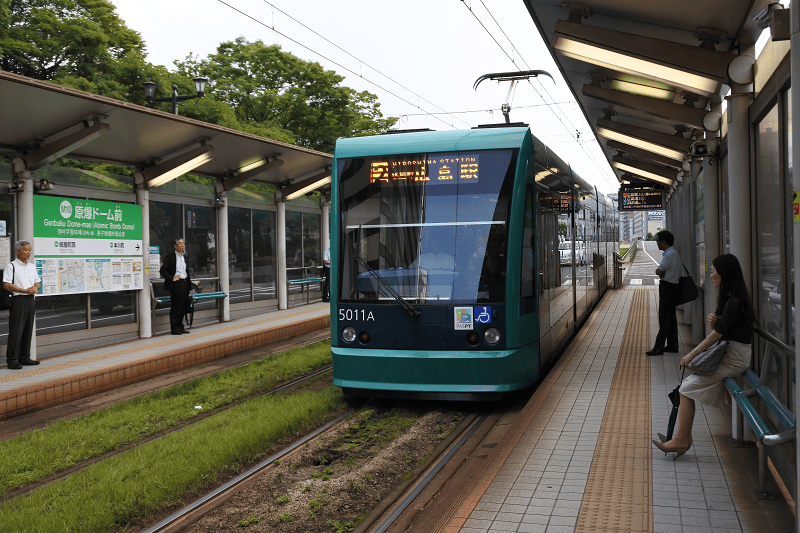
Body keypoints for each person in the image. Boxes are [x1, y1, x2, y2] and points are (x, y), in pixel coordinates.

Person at [653, 254, 755, 458]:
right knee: (686, 388)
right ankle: (683, 438)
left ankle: (682, 440)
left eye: (713, 271)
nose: (710, 275)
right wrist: (715, 322)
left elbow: (717, 334)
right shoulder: (732, 298)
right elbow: (723, 329)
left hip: (734, 357)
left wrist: (692, 353)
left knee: (686, 389)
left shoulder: (734, 300)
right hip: (730, 353)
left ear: (724, 273)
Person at [4, 241, 41, 369]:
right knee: (16, 330)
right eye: (25, 250)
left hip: (30, 299)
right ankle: (12, 360)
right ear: (17, 251)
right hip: (18, 300)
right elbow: (6, 284)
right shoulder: (11, 266)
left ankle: (24, 357)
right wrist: (24, 290)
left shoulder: (32, 267)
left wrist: (35, 288)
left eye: (29, 250)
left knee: (27, 329)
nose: (28, 252)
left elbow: (37, 282)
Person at [647, 230, 681, 356]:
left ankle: (658, 347)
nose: (657, 243)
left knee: (664, 317)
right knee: (671, 318)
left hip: (668, 288)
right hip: (673, 287)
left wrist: (660, 272)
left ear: (664, 242)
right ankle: (672, 345)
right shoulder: (673, 253)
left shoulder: (669, 254)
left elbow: (658, 270)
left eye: (658, 241)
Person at [159, 238, 192, 335]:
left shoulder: (185, 257)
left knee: (183, 306)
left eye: (183, 243)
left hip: (185, 282)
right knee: (176, 306)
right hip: (177, 284)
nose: (183, 245)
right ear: (175, 246)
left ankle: (180, 327)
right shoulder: (170, 257)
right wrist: (171, 278)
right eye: (180, 243)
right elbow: (162, 270)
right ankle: (174, 328)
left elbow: (186, 271)